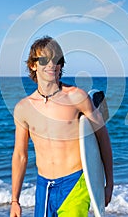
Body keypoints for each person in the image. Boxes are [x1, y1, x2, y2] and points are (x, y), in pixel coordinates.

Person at [10, 36, 113, 217]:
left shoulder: (77, 97)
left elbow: (102, 137)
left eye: (56, 59)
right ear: (33, 65)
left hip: (75, 183)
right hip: (44, 186)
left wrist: (108, 183)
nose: (51, 64)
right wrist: (15, 200)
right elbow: (20, 155)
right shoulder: (23, 108)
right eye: (44, 59)